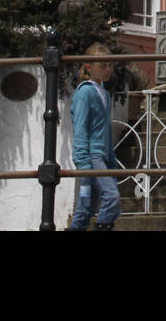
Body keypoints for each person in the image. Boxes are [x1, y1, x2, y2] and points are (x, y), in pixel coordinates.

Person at [66, 43, 121, 231]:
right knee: (111, 197)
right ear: (89, 67)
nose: (108, 70)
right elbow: (80, 127)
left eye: (110, 65)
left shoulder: (104, 93)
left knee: (86, 206)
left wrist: (111, 158)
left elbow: (104, 130)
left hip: (103, 156)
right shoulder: (85, 92)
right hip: (91, 157)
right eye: (103, 65)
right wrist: (83, 162)